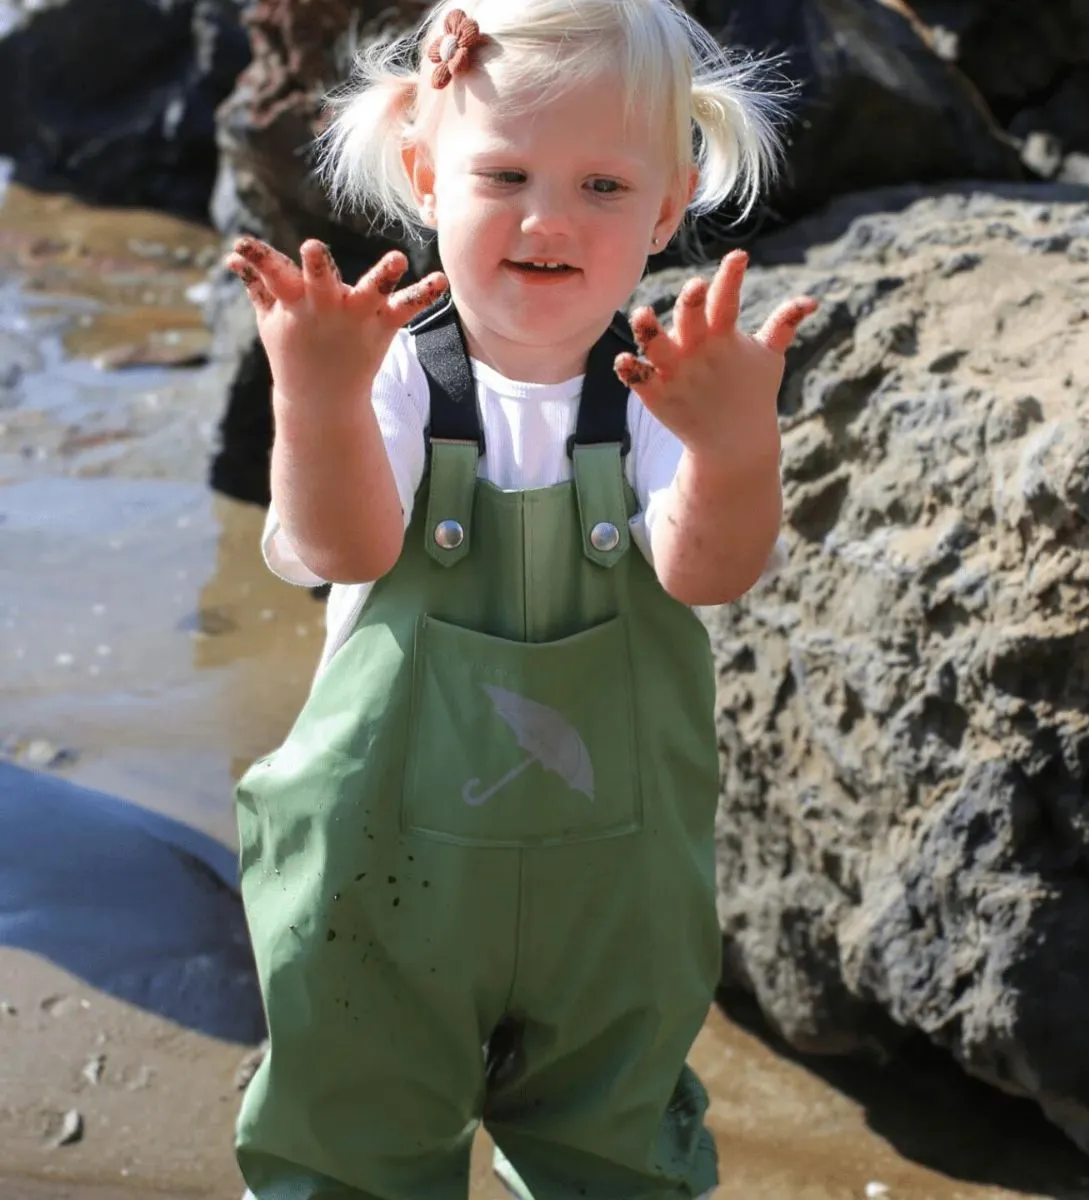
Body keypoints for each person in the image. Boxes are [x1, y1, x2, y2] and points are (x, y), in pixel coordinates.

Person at [224, 1, 815, 1197]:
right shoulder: (392, 374)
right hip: (377, 904)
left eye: (604, 185)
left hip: (613, 910)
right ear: (425, 176)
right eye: (506, 173)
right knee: (351, 1139)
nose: (551, 218)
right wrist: (318, 401)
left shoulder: (658, 389)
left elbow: (709, 571)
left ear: (667, 209)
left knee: (617, 1149)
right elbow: (341, 545)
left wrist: (735, 447)